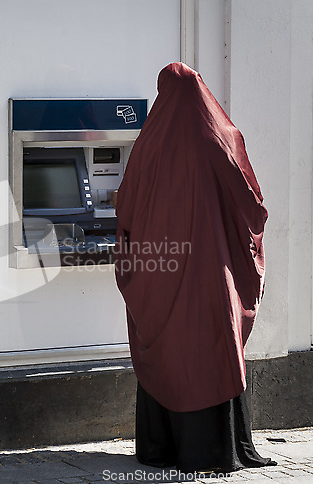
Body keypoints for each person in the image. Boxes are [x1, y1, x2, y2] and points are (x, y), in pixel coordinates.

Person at [113, 62, 276, 473]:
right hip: (212, 274)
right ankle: (216, 449)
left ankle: (161, 447)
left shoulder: (148, 143)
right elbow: (251, 207)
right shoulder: (221, 136)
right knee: (212, 342)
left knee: (169, 347)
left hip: (160, 270)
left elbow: (126, 208)